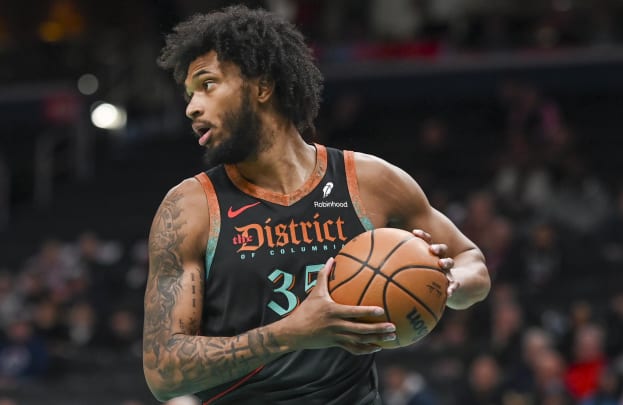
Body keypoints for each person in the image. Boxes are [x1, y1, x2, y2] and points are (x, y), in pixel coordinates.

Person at [142, 5, 491, 405]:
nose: (192, 108)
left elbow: (471, 261)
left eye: (207, 85)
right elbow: (164, 371)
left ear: (262, 86)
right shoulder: (190, 208)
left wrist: (442, 283)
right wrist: (293, 330)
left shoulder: (370, 181)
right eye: (189, 95)